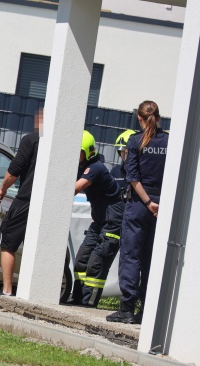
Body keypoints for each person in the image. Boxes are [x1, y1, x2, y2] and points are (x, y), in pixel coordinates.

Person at [107, 101, 168, 324]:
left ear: (140, 119)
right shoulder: (170, 141)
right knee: (152, 257)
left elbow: (132, 177)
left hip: (140, 205)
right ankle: (147, 309)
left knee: (131, 256)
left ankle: (127, 309)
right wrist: (158, 203)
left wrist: (148, 202)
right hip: (163, 205)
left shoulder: (135, 141)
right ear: (158, 118)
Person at [0, 109, 42, 302]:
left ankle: (7, 291)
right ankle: (36, 293)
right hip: (48, 204)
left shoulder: (32, 140)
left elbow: (14, 170)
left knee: (8, 240)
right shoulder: (65, 144)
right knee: (38, 248)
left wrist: (2, 189)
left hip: (26, 199)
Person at [69, 131, 125, 307]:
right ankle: (77, 297)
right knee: (81, 260)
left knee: (96, 263)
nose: (75, 155)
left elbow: (75, 188)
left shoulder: (95, 168)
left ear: (88, 151)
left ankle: (88, 303)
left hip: (113, 222)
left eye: (78, 151)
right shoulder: (81, 166)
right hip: (99, 221)